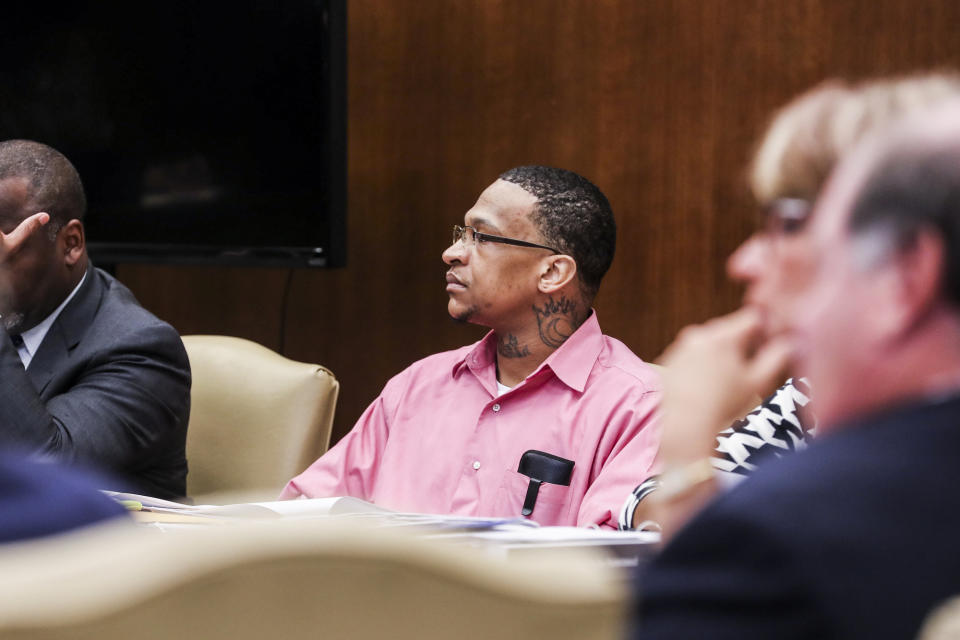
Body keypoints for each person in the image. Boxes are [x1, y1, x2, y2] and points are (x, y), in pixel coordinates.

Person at [632, 99, 960, 639]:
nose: (744, 262)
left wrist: (686, 454)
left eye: (792, 226)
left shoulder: (775, 536)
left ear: (905, 272)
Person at [282, 166, 661, 528]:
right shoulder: (419, 384)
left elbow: (613, 565)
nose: (452, 253)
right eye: (461, 234)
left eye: (481, 237)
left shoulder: (638, 406)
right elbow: (307, 510)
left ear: (552, 272)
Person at [0, 139, 191, 500]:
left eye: (4, 251)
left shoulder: (141, 350)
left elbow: (40, 471)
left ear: (70, 243)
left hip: (90, 551)